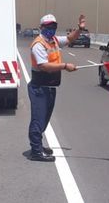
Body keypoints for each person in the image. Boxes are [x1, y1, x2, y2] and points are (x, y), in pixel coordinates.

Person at [27, 13, 85, 162]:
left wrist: (79, 29)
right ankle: (36, 151)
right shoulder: (39, 44)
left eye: (54, 26)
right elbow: (43, 66)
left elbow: (70, 39)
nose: (51, 29)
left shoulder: (53, 41)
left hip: (50, 87)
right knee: (38, 119)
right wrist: (65, 66)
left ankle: (38, 145)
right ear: (41, 27)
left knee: (45, 119)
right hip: (40, 88)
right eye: (48, 26)